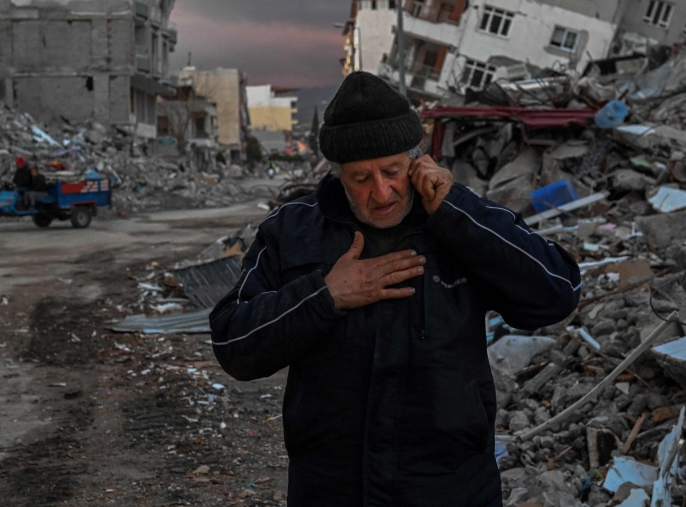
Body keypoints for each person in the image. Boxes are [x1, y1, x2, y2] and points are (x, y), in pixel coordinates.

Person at [210, 72, 581, 506]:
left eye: (392, 171)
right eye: (360, 178)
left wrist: (457, 212)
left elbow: (558, 293)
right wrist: (324, 295)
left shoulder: (462, 218)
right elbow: (233, 343)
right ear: (337, 174)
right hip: (332, 491)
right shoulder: (292, 230)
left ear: (417, 161)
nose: (381, 192)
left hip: (450, 488)